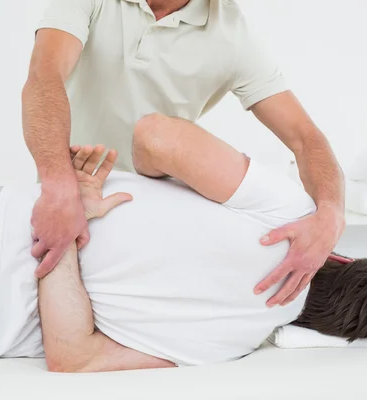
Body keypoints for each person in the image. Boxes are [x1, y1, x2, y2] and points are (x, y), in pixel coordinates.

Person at [0, 125, 367, 370]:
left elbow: (155, 135)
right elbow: (72, 358)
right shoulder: (223, 348)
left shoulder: (288, 213)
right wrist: (69, 246)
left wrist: (79, 206)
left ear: (341, 257)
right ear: (321, 338)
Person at [21, 0, 347, 307]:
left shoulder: (230, 34)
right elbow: (45, 74)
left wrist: (332, 213)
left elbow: (305, 138)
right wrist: (59, 188)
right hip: (62, 194)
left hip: (144, 216)